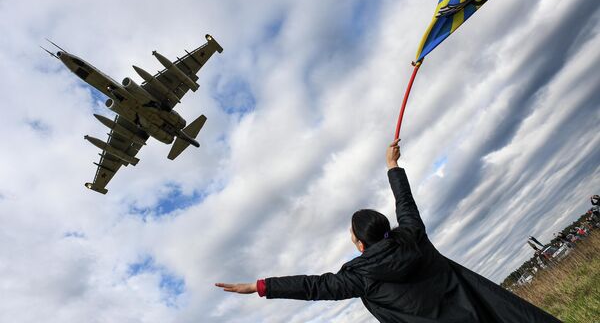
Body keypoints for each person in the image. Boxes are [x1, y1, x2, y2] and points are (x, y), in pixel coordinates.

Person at [216, 140, 561, 322]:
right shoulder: (414, 237)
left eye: (351, 235)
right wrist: (392, 165)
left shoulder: (360, 277)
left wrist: (260, 286)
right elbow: (405, 203)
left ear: (360, 242)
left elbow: (313, 286)